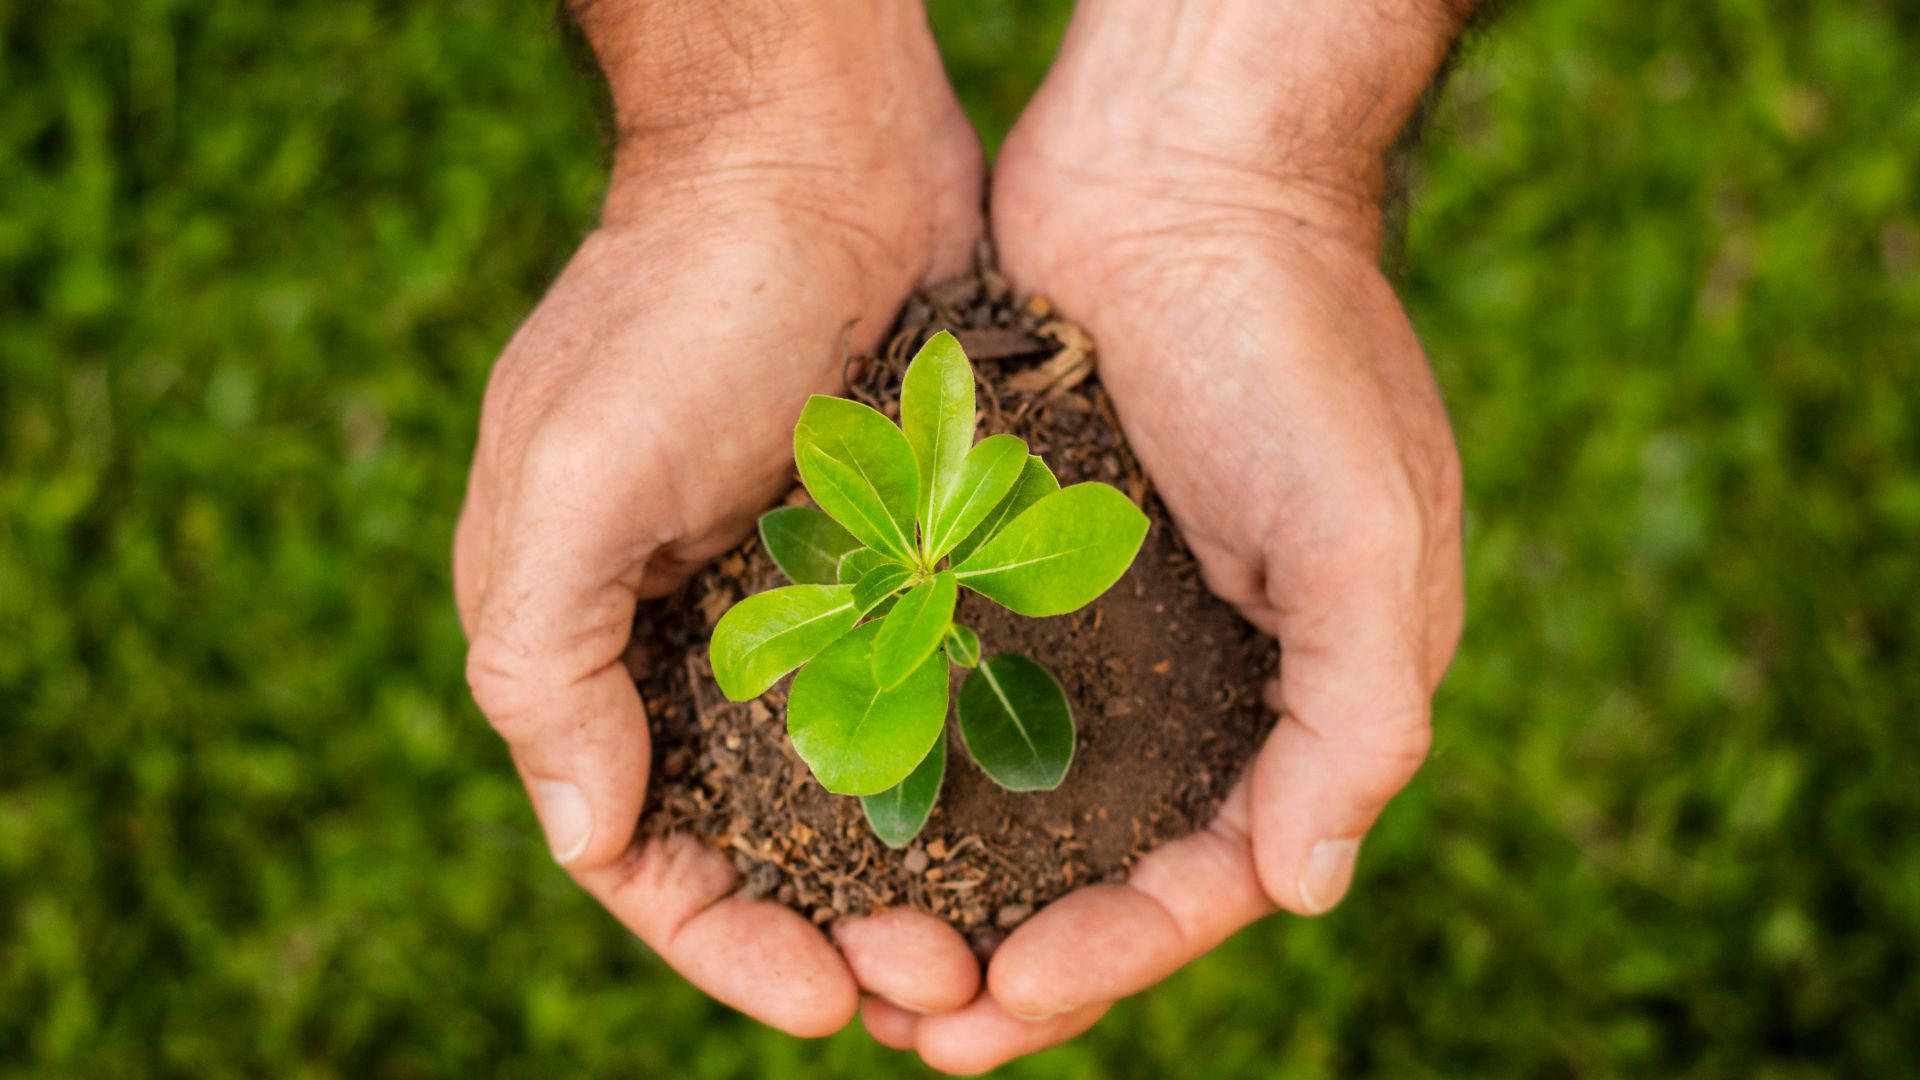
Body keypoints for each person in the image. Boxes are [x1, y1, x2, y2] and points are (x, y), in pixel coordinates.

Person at [452, 0, 1468, 1071]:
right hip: (892, 603)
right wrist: (744, 151)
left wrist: (1251, 179)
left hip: (944, 576)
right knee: (866, 656)